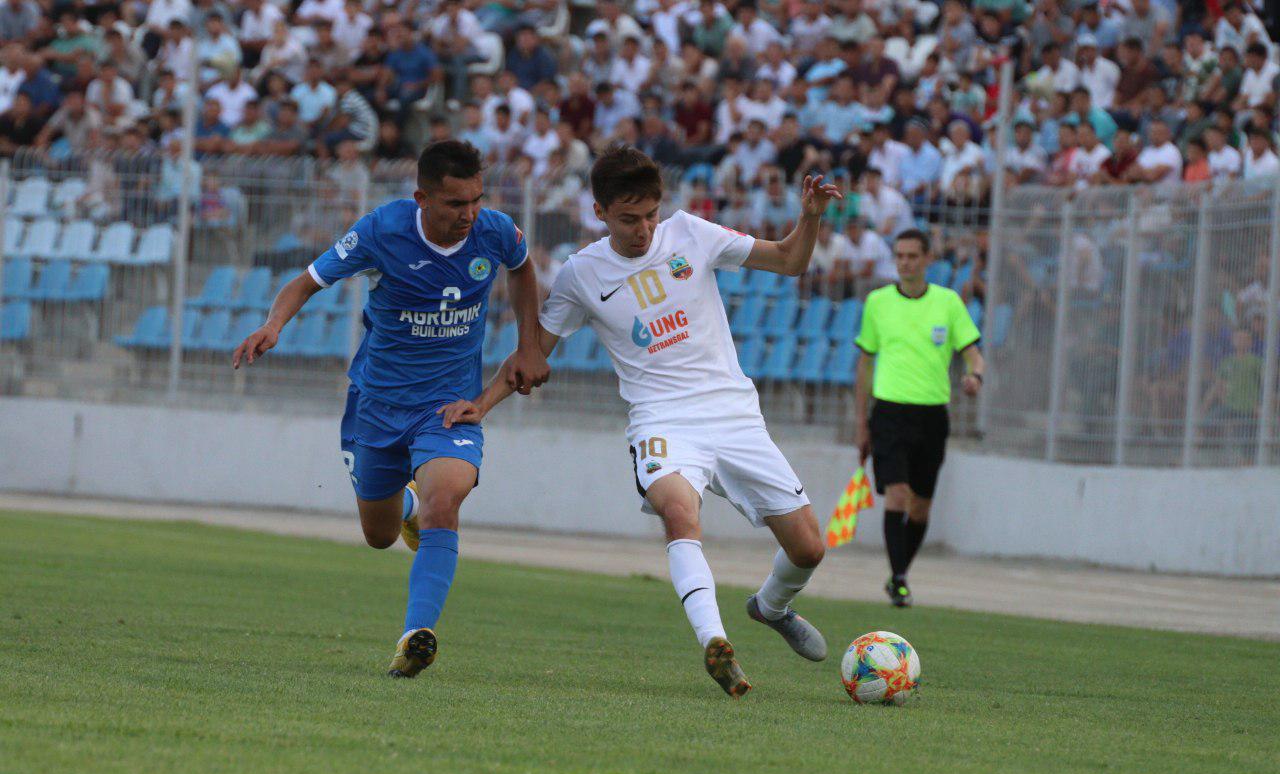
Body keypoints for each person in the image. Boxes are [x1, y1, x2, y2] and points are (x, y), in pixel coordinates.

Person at [439, 146, 841, 698]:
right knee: (679, 513)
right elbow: (533, 354)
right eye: (629, 219)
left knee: (809, 549)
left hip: (733, 414)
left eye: (651, 215)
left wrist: (810, 217)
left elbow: (790, 261)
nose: (644, 229)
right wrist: (481, 405)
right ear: (600, 212)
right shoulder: (582, 274)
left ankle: (770, 608)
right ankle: (715, 641)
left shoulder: (691, 234)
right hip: (661, 421)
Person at [231, 141, 550, 678]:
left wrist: (527, 344)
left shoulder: (495, 230)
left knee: (446, 500)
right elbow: (307, 282)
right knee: (378, 535)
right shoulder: (381, 231)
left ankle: (415, 635)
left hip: (448, 407)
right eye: (455, 203)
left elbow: (521, 270)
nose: (469, 214)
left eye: (476, 200)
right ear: (422, 198)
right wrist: (273, 325)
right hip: (378, 405)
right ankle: (405, 508)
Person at [854, 229, 984, 607]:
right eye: (899, 255)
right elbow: (865, 365)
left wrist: (975, 376)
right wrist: (861, 423)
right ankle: (898, 580)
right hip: (889, 412)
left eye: (912, 256)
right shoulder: (878, 302)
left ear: (928, 259)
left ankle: (900, 574)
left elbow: (974, 354)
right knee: (897, 493)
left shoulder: (948, 302)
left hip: (931, 415)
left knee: (921, 505)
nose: (905, 262)